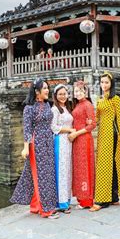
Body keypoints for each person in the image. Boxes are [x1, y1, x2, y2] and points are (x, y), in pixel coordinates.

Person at [10, 77, 60, 219]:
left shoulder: (47, 105)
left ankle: (35, 206)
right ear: (37, 91)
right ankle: (46, 210)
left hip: (48, 142)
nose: (47, 90)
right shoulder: (29, 108)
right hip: (36, 143)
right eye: (44, 88)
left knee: (47, 174)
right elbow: (27, 129)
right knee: (42, 176)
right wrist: (25, 148)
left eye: (47, 88)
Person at [90, 71, 120, 212]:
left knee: (104, 166)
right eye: (102, 82)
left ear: (111, 84)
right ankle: (114, 197)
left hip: (111, 135)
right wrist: (88, 122)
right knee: (109, 164)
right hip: (102, 135)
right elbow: (97, 119)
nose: (104, 85)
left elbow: (119, 120)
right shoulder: (100, 100)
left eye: (106, 82)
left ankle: (102, 200)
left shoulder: (115, 99)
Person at [69, 81, 96, 209]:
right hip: (77, 140)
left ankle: (87, 200)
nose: (78, 93)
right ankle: (81, 197)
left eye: (80, 91)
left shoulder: (88, 105)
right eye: (76, 91)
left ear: (85, 92)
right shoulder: (78, 104)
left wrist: (76, 133)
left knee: (85, 168)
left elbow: (92, 125)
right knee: (79, 168)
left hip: (84, 139)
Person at [51, 84, 75, 213]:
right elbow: (53, 127)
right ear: (55, 95)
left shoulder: (67, 108)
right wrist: (70, 129)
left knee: (67, 170)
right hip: (60, 141)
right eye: (60, 94)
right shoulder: (54, 109)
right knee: (61, 170)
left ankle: (67, 199)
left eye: (64, 93)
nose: (63, 96)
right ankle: (61, 203)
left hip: (69, 142)